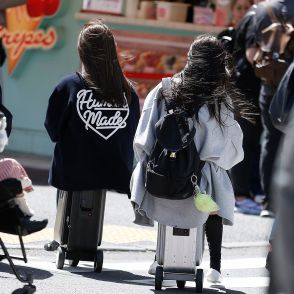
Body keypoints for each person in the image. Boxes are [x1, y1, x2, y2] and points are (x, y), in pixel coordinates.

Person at [131, 35, 250, 283]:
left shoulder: (163, 90)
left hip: (161, 182)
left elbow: (144, 138)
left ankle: (159, 257)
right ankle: (215, 266)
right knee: (217, 180)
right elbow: (229, 150)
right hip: (200, 188)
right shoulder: (219, 100)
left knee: (159, 168)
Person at [44, 20, 140, 250]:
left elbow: (53, 130)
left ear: (82, 52)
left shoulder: (69, 85)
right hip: (115, 170)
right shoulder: (128, 91)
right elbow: (133, 132)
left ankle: (60, 233)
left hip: (73, 169)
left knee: (67, 157)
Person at [246, 0, 294, 217]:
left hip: (269, 84)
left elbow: (252, 54)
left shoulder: (264, 9)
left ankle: (269, 202)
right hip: (291, 84)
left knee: (270, 141)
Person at [229, 0, 265, 215]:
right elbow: (253, 55)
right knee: (245, 141)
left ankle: (247, 192)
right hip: (247, 89)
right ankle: (240, 195)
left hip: (246, 88)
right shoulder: (256, 18)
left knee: (250, 142)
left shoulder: (255, 15)